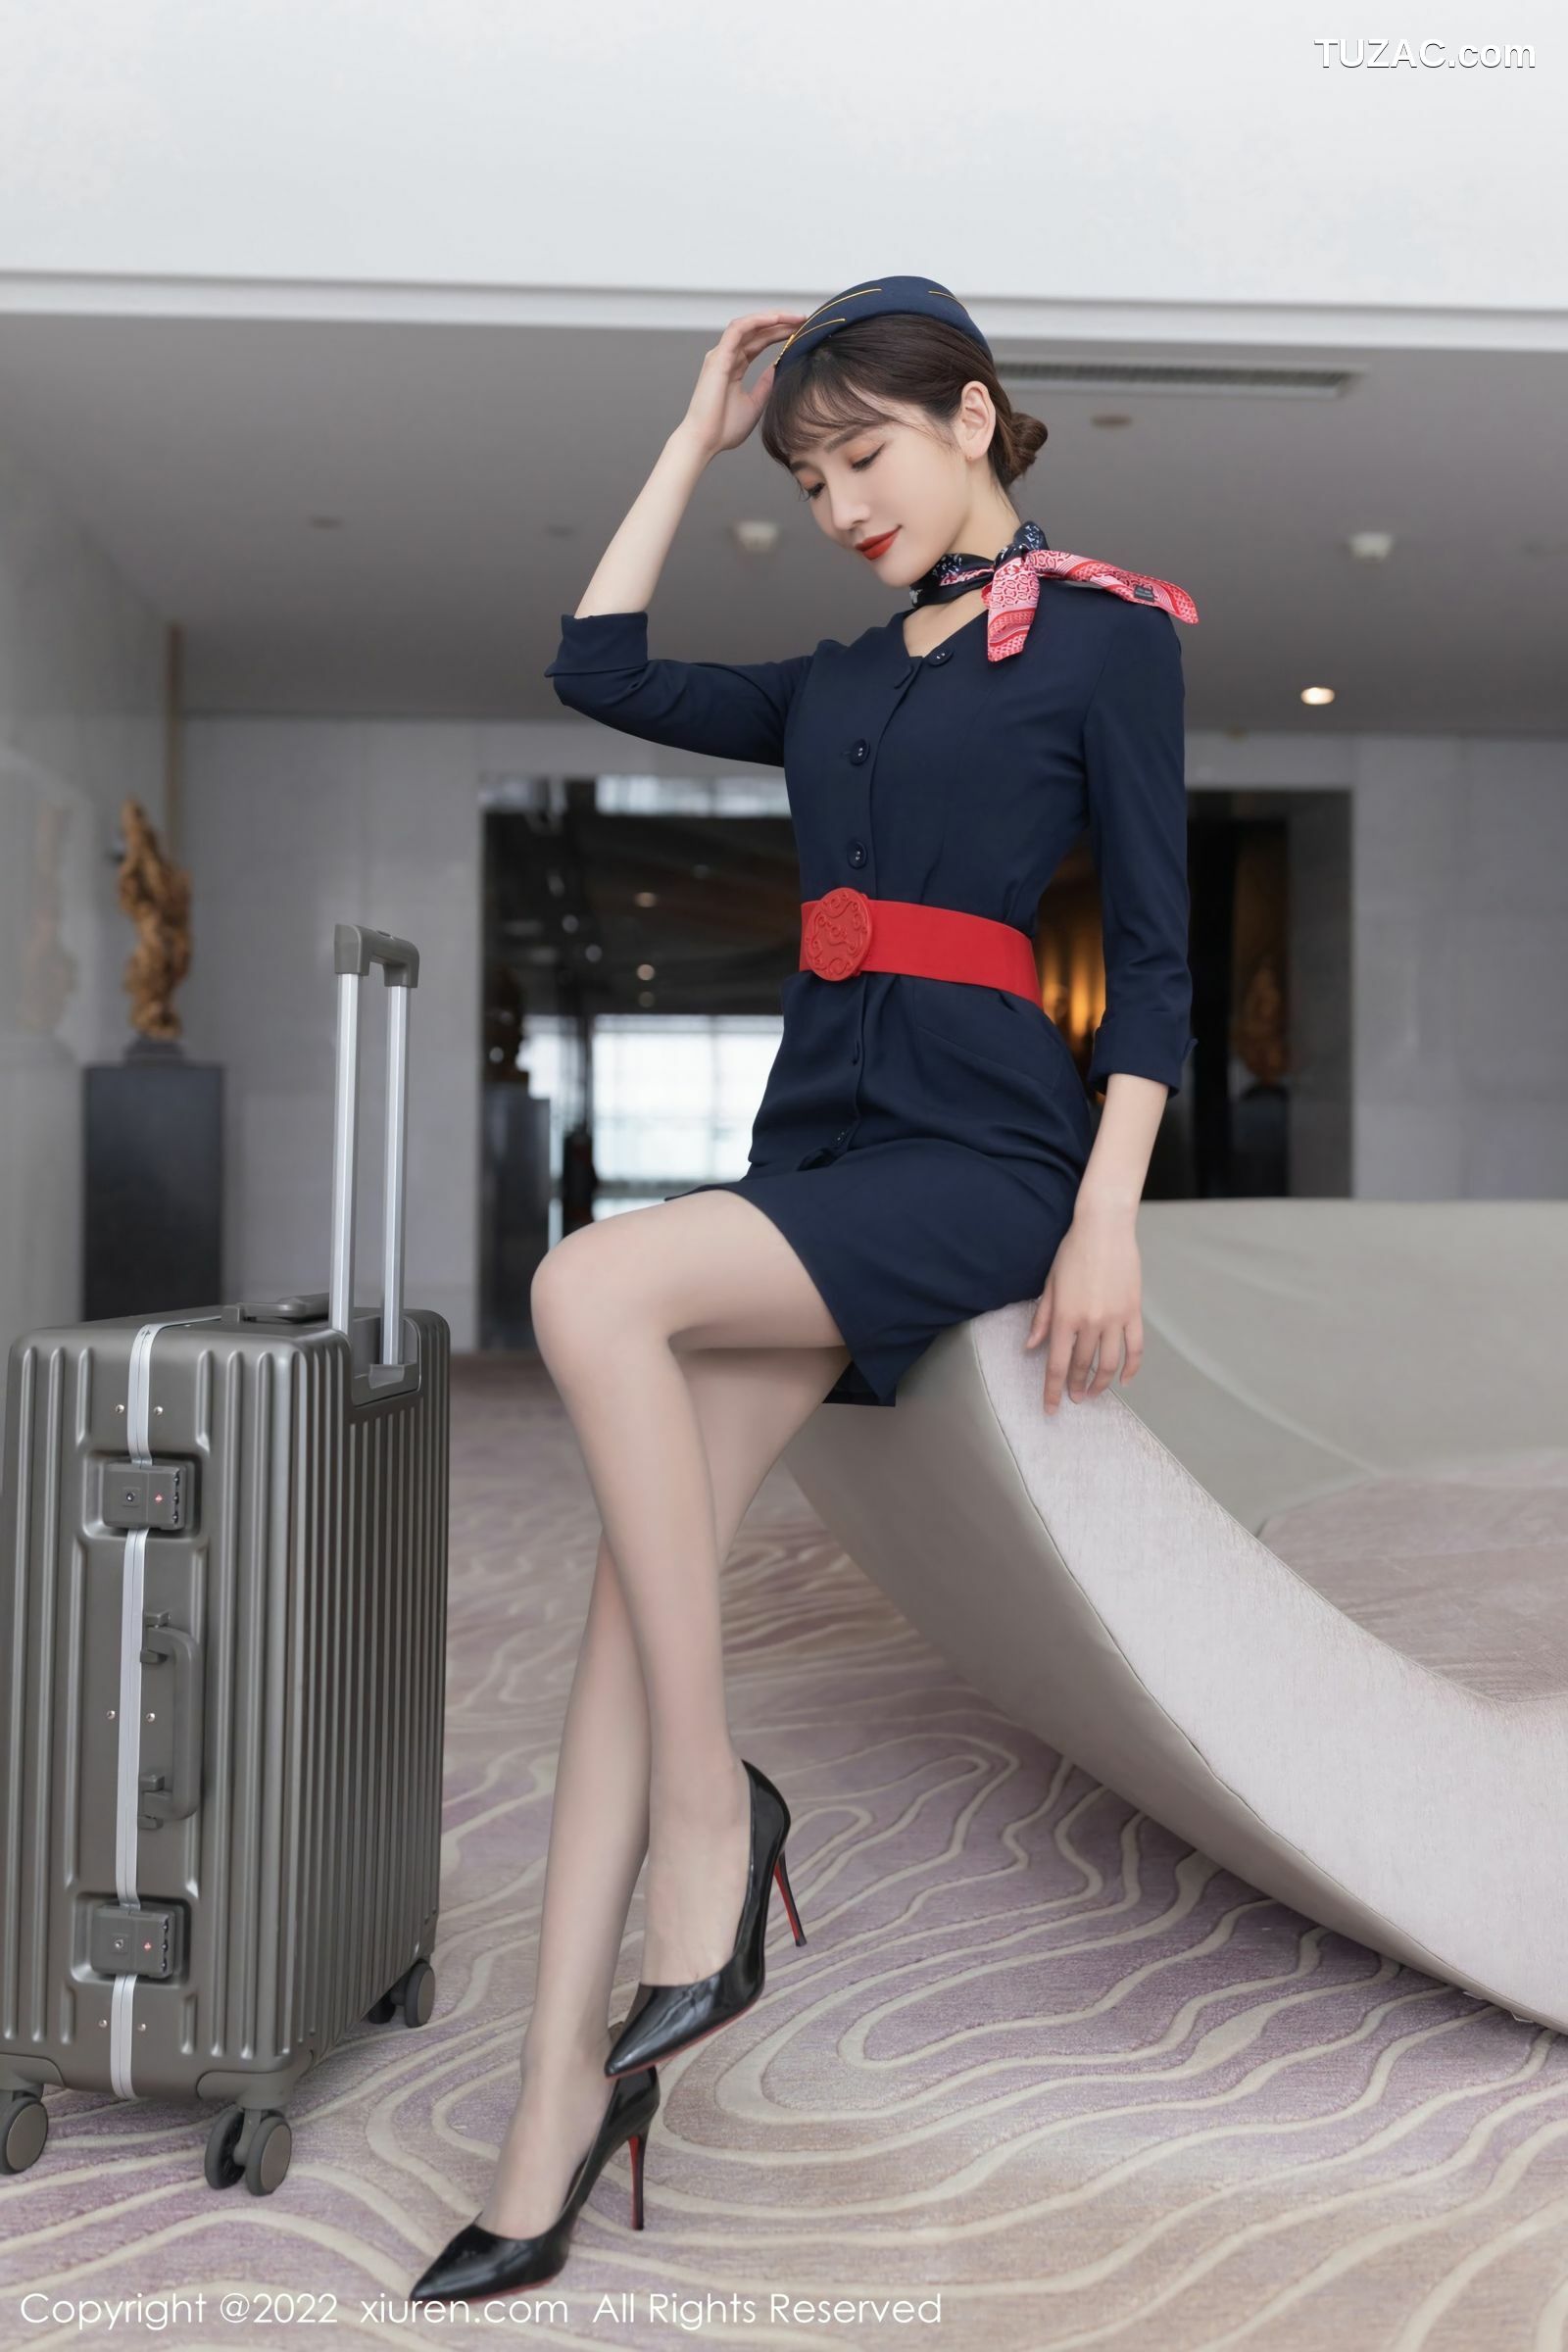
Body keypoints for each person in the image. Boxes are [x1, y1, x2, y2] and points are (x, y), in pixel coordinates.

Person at [410, 272, 1198, 2304]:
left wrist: (1108, 1210)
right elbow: (595, 662)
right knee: (625, 1603)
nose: (838, 504)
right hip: (818, 1153)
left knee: (590, 1287)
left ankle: (713, 1824)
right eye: (807, 478)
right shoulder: (834, 681)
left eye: (862, 457)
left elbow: (1155, 959)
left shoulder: (1105, 637)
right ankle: (549, 2131)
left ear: (971, 418)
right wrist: (691, 438)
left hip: (985, 1158)